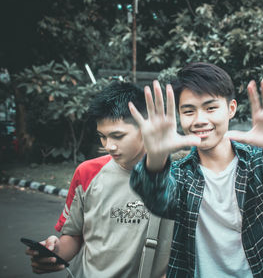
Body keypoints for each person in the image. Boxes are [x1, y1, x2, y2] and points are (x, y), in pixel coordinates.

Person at [129, 62, 263, 277]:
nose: (200, 120)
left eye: (211, 108)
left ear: (231, 109)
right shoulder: (180, 174)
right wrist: (155, 158)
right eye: (188, 111)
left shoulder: (257, 163)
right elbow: (159, 200)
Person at [25, 81, 174, 278]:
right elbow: (74, 236)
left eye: (118, 136)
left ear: (145, 129)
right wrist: (54, 253)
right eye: (102, 137)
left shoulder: (176, 177)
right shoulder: (87, 173)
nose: (109, 146)